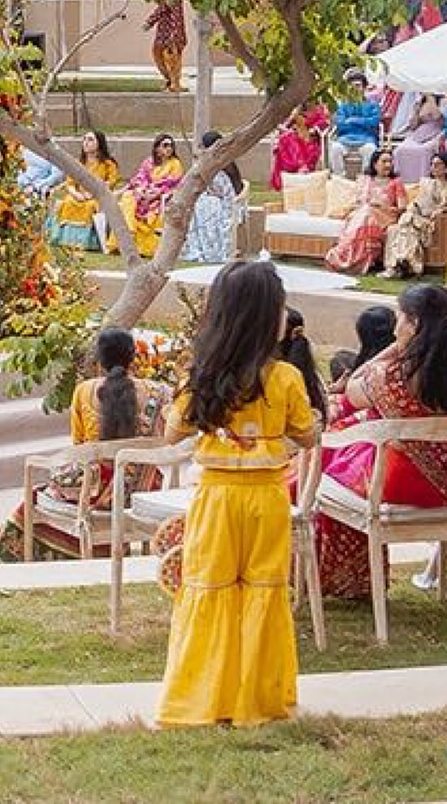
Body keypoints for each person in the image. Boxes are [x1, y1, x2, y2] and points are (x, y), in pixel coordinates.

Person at [157, 261, 320, 729]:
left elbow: (172, 433)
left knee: (209, 587)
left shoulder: (202, 373)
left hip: (216, 498)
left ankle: (202, 697)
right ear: (268, 316)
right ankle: (258, 699)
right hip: (267, 498)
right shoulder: (285, 377)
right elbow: (307, 436)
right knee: (263, 591)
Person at [0, 326, 171, 561]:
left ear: (99, 359)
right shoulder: (159, 392)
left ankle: (37, 559)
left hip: (94, 494)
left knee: (37, 494)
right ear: (133, 357)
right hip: (141, 491)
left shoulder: (84, 391)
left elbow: (79, 446)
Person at [313, 284, 447, 600]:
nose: (396, 327)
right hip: (443, 483)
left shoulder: (391, 376)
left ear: (414, 325)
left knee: (334, 460)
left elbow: (351, 392)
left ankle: (347, 578)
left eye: (400, 319)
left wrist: (394, 349)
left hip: (403, 483)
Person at [325, 145, 406, 276]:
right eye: (384, 161)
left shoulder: (396, 182)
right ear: (375, 164)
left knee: (367, 212)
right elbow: (357, 202)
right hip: (364, 216)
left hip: (386, 216)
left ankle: (349, 258)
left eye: (390, 161)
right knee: (365, 213)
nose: (388, 165)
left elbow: (402, 208)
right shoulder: (365, 180)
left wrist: (381, 206)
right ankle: (349, 259)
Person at [47, 132, 120, 251]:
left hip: (98, 196)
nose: (86, 142)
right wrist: (76, 194)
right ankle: (67, 241)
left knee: (90, 206)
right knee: (68, 203)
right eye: (84, 139)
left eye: (90, 140)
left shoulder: (108, 164)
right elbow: (69, 183)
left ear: (99, 144)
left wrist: (92, 194)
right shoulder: (78, 162)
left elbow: (110, 183)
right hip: (78, 195)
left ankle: (86, 242)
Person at [182, 131, 242, 266]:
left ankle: (214, 250)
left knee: (210, 207)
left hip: (227, 202)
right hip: (209, 198)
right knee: (198, 206)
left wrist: (217, 194)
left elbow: (230, 189)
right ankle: (200, 247)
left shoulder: (226, 162)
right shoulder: (204, 162)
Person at [119, 134, 184, 258]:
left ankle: (145, 247)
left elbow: (172, 183)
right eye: (165, 145)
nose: (169, 148)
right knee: (128, 197)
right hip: (144, 194)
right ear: (157, 148)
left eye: (171, 145)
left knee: (152, 209)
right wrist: (142, 190)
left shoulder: (175, 164)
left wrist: (154, 194)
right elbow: (139, 178)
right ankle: (130, 230)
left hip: (161, 197)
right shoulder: (148, 162)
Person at [384, 151, 447, 278]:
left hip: (431, 221)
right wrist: (412, 210)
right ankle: (405, 264)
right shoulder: (427, 184)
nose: (433, 167)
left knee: (406, 224)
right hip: (417, 217)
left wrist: (442, 210)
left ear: (446, 168)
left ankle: (399, 266)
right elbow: (417, 204)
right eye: (432, 164)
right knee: (398, 229)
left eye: (437, 164)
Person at [328, 305, 398, 397]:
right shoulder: (404, 347)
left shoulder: (374, 371)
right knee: (341, 357)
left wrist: (333, 390)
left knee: (338, 361)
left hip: (362, 394)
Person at [328, 72, 382, 176]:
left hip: (366, 139)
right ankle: (340, 179)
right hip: (345, 139)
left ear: (364, 87)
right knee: (335, 148)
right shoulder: (342, 105)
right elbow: (340, 124)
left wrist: (353, 120)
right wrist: (364, 122)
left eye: (358, 86)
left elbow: (374, 122)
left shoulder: (373, 105)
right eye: (351, 86)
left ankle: (364, 180)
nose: (354, 89)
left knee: (370, 149)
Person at [269, 105, 325, 192]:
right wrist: (290, 123)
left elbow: (324, 123)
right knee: (288, 138)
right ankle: (301, 167)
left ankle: (302, 167)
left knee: (296, 141)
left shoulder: (318, 109)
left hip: (310, 140)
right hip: (291, 140)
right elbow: (281, 125)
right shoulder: (293, 105)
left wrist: (314, 129)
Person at [392, 98, 446, 186]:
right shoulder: (420, 102)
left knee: (424, 150)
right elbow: (413, 125)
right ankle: (403, 180)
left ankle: (422, 180)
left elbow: (439, 117)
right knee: (400, 150)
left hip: (436, 133)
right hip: (418, 134)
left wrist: (430, 97)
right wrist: (416, 112)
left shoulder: (441, 101)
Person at [144, 0, 187, 93]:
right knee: (160, 58)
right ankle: (171, 82)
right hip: (164, 34)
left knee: (171, 60)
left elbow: (164, 9)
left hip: (170, 35)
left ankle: (174, 84)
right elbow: (163, 9)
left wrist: (149, 22)